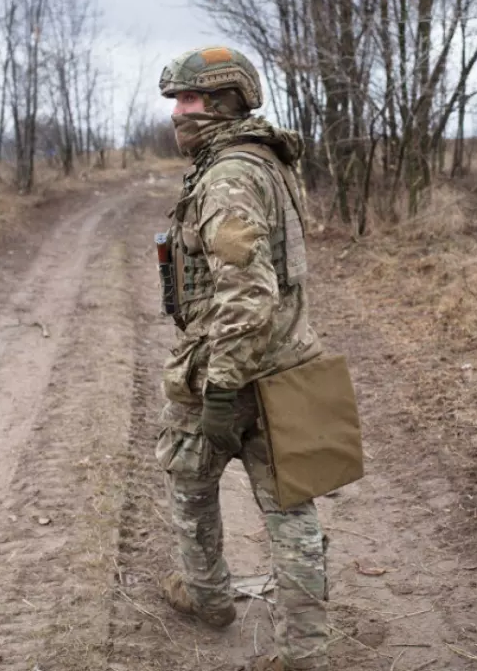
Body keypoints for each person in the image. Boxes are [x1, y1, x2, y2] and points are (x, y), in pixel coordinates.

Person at [154, 46, 330, 671]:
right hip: (290, 360)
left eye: (189, 99)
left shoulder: (229, 174)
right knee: (291, 504)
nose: (178, 111)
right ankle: (305, 649)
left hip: (232, 365)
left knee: (191, 480)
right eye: (176, 99)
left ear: (224, 101)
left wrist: (223, 386)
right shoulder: (266, 159)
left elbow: (248, 291)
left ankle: (208, 598)